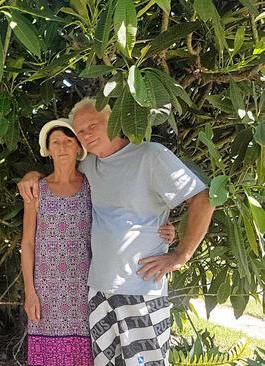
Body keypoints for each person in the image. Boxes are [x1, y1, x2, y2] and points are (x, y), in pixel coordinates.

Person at [19, 98, 213, 366]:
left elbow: (202, 199)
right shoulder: (90, 167)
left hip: (140, 291)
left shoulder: (150, 155)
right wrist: (31, 176)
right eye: (81, 131)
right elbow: (60, 170)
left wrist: (182, 255)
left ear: (114, 122)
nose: (86, 135)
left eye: (93, 125)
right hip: (98, 292)